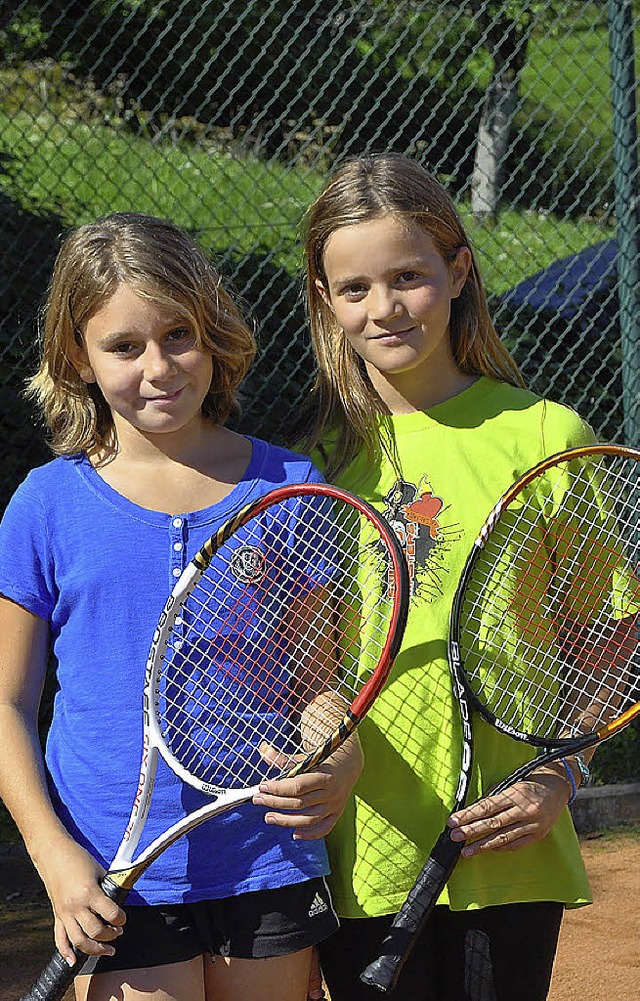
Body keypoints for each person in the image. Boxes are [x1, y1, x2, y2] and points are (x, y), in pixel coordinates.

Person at [0, 212, 362, 1001]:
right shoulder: (45, 505)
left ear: (214, 334)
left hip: (266, 853)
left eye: (178, 335)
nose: (158, 366)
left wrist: (337, 755)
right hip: (111, 869)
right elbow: (7, 702)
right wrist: (53, 854)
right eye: (124, 347)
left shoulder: (289, 486)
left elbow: (317, 686)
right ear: (77, 358)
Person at [290, 151, 597, 1001]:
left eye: (410, 277)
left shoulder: (543, 433)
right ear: (325, 299)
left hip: (509, 845)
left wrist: (557, 774)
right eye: (354, 288)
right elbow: (306, 661)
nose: (384, 307)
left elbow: (606, 640)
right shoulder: (314, 468)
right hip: (365, 844)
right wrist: (321, 719)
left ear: (458, 271)